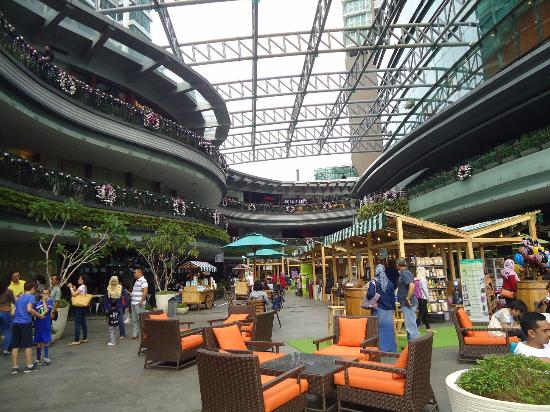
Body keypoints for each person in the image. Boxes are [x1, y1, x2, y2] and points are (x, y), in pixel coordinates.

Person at [11, 281, 43, 374]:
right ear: (32, 288)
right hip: (25, 323)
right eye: (35, 289)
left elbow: (12, 313)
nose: (35, 291)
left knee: (15, 346)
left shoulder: (19, 298)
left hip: (15, 323)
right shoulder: (31, 297)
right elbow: (29, 309)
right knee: (28, 345)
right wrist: (39, 315)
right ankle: (29, 366)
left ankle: (15, 367)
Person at [367, 264, 397, 352]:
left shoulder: (374, 282)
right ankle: (391, 348)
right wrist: (393, 308)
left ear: (376, 271)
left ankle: (382, 348)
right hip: (389, 310)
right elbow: (393, 297)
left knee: (379, 330)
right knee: (389, 330)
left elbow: (370, 294)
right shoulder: (390, 283)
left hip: (379, 309)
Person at [396, 258, 420, 341]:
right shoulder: (405, 272)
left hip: (408, 303)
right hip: (407, 303)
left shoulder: (405, 273)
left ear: (398, 265)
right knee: (409, 326)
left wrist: (407, 298)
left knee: (411, 326)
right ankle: (411, 345)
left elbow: (412, 285)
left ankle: (416, 346)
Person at [33, 288, 53, 365]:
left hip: (46, 324)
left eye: (47, 293)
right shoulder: (37, 303)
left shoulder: (50, 301)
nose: (45, 295)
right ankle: (38, 359)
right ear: (41, 294)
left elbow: (46, 310)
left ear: (49, 294)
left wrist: (44, 301)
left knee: (46, 341)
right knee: (38, 342)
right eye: (43, 293)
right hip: (38, 324)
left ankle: (46, 357)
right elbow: (33, 312)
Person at [104, 276, 127, 340]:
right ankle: (112, 334)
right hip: (110, 307)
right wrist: (106, 308)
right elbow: (106, 299)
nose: (113, 282)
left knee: (120, 320)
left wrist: (125, 306)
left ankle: (122, 334)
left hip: (119, 306)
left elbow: (125, 297)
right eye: (112, 281)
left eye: (115, 281)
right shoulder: (108, 288)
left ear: (117, 281)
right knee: (111, 321)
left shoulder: (121, 288)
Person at [68, 275, 89, 346]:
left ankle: (76, 340)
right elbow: (77, 294)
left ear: (83, 280)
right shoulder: (84, 287)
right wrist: (74, 289)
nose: (78, 280)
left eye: (80, 279)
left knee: (77, 323)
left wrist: (70, 287)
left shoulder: (81, 287)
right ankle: (85, 338)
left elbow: (74, 295)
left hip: (78, 307)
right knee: (83, 323)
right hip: (83, 306)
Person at [131, 267, 148, 340]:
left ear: (139, 273)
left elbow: (145, 291)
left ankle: (145, 334)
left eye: (135, 273)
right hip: (134, 303)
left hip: (139, 303)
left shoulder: (143, 281)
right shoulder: (137, 281)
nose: (134, 274)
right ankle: (135, 334)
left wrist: (141, 301)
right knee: (134, 319)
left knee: (141, 319)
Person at [0, 277, 15, 355]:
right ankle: (5, 350)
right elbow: (14, 301)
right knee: (8, 331)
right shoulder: (9, 291)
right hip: (6, 312)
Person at [415, 267, 432, 331]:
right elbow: (425, 290)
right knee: (421, 313)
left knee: (424, 312)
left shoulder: (415, 279)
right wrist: (428, 298)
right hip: (423, 298)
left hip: (418, 298)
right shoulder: (423, 279)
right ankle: (415, 327)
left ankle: (428, 328)